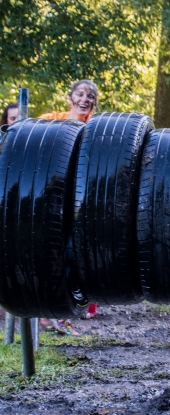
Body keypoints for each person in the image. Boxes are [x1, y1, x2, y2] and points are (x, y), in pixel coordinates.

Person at [38, 79, 100, 333]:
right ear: (70, 97)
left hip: (76, 203)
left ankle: (61, 313)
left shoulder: (94, 129)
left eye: (90, 96)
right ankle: (47, 312)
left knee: (73, 254)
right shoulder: (51, 120)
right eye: (80, 94)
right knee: (47, 252)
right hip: (49, 196)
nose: (85, 99)